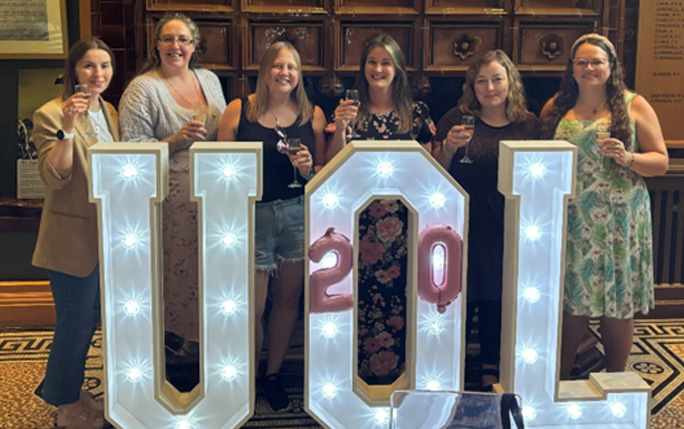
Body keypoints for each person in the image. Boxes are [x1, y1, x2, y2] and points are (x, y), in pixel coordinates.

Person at [540, 34, 668, 378]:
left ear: (611, 67)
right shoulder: (555, 107)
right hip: (572, 217)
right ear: (572, 69)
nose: (589, 68)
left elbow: (661, 162)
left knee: (617, 300)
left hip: (619, 216)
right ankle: (561, 380)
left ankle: (615, 378)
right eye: (581, 62)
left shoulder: (633, 104)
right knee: (571, 300)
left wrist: (628, 157)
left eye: (597, 61)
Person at [217, 40, 326, 411]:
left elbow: (323, 176)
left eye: (292, 67)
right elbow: (218, 171)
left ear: (299, 74)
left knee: (288, 301)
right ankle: (246, 375)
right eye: (278, 66)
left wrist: (309, 169)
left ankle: (273, 374)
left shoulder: (313, 114)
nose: (285, 73)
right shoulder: (239, 111)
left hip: (297, 214)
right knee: (251, 304)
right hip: (252, 215)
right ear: (265, 70)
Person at [118, 12, 227, 386]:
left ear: (194, 46)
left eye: (183, 40)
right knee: (178, 274)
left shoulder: (210, 80)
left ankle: (211, 356)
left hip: (215, 196)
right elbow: (130, 154)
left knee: (214, 274)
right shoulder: (142, 89)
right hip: (169, 202)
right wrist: (177, 140)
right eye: (168, 39)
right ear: (156, 44)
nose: (175, 46)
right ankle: (174, 358)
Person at [327, 33, 435, 387]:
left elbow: (434, 169)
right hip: (358, 224)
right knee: (356, 296)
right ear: (363, 69)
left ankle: (399, 374)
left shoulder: (416, 113)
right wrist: (340, 126)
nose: (378, 68)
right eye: (372, 62)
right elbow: (331, 167)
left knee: (402, 297)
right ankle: (355, 374)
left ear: (397, 68)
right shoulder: (349, 110)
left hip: (405, 225)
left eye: (385, 62)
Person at [433, 49, 540, 390]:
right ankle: (453, 361)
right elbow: (434, 172)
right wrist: (448, 148)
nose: (490, 87)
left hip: (507, 224)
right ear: (472, 86)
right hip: (460, 223)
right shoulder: (455, 118)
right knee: (457, 294)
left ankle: (490, 365)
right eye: (481, 80)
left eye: (497, 78)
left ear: (510, 82)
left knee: (497, 295)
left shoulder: (529, 125)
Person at [32, 37, 119, 428]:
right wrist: (67, 127)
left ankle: (71, 389)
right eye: (89, 66)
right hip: (71, 241)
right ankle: (66, 408)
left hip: (110, 238)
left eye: (104, 66)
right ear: (73, 71)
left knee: (93, 320)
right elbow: (56, 175)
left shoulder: (111, 112)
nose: (97, 74)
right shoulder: (50, 113)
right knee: (74, 322)